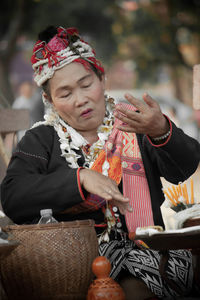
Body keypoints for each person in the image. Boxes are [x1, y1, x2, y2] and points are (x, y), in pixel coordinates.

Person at [1, 26, 200, 299]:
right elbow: (13, 196)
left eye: (86, 85)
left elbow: (184, 168)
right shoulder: (42, 139)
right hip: (73, 267)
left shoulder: (134, 123)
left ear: (102, 78)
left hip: (148, 255)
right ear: (49, 100)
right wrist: (79, 179)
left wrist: (161, 131)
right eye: (66, 93)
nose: (81, 99)